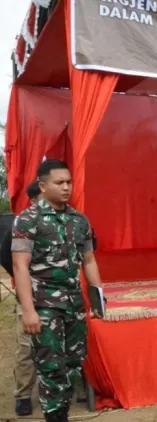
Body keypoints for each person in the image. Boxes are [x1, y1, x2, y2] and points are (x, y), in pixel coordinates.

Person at [11, 160, 105, 422]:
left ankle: (61, 414)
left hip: (74, 305)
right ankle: (55, 417)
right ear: (43, 186)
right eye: (59, 183)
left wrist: (98, 300)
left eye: (69, 182)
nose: (66, 187)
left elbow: (89, 261)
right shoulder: (28, 220)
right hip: (44, 307)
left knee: (73, 365)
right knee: (51, 369)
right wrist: (29, 312)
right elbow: (20, 266)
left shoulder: (79, 220)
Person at [7, 182, 41, 417]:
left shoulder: (69, 222)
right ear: (33, 199)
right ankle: (23, 395)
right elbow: (12, 261)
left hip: (58, 297)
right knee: (26, 349)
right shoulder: (23, 224)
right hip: (30, 296)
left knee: (60, 348)